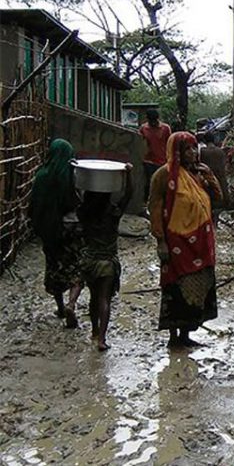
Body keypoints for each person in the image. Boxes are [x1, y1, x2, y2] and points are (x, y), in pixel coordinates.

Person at [148, 132, 222, 349]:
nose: (192, 153)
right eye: (186, 149)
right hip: (176, 243)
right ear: (176, 152)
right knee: (176, 287)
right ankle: (174, 337)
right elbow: (154, 208)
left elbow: (218, 199)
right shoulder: (163, 176)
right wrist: (160, 241)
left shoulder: (197, 174)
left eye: (193, 148)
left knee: (198, 287)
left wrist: (210, 176)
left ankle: (186, 334)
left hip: (200, 242)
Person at [77, 164, 133, 351]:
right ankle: (102, 338)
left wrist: (75, 173)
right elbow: (128, 195)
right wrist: (128, 175)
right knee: (105, 300)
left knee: (93, 298)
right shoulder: (113, 214)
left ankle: (94, 331)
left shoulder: (84, 213)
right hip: (108, 263)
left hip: (89, 261)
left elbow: (74, 192)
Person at [29, 138, 83, 328]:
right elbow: (78, 202)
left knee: (54, 267)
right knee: (76, 267)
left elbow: (34, 205)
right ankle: (72, 304)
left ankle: (60, 308)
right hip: (72, 228)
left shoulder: (41, 176)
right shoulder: (72, 175)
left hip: (50, 230)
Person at [140, 109, 171, 204]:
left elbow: (169, 143)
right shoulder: (144, 129)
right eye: (151, 121)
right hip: (148, 161)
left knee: (162, 183)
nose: (153, 123)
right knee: (150, 183)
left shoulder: (165, 128)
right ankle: (149, 202)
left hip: (162, 160)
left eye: (155, 121)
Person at [198, 132, 229, 226]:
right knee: (219, 203)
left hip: (209, 181)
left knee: (209, 203)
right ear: (214, 140)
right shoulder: (221, 151)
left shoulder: (202, 152)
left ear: (204, 140)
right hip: (221, 181)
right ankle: (216, 221)